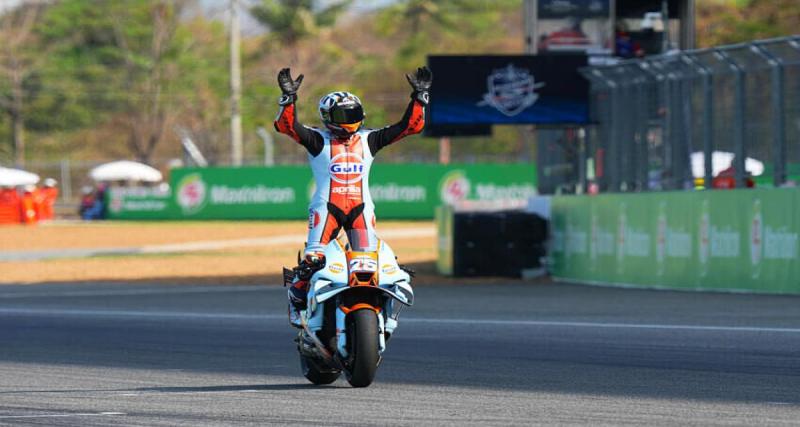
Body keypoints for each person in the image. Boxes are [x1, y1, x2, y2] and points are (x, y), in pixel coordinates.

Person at [274, 66, 432, 327]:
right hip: (327, 209)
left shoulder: (370, 138)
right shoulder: (317, 139)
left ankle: (376, 312)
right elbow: (287, 126)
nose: (350, 118)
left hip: (361, 208)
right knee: (313, 260)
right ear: (327, 117)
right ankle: (297, 299)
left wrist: (419, 97)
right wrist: (289, 98)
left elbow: (409, 127)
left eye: (354, 112)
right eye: (342, 114)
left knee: (370, 264)